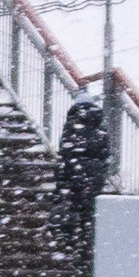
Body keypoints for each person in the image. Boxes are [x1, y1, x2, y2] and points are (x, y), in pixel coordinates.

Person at [55, 88, 109, 251]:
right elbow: (105, 153)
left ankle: (69, 242)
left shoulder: (71, 125)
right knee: (90, 210)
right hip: (94, 175)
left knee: (72, 206)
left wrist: (62, 179)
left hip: (74, 172)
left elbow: (65, 152)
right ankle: (88, 246)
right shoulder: (100, 127)